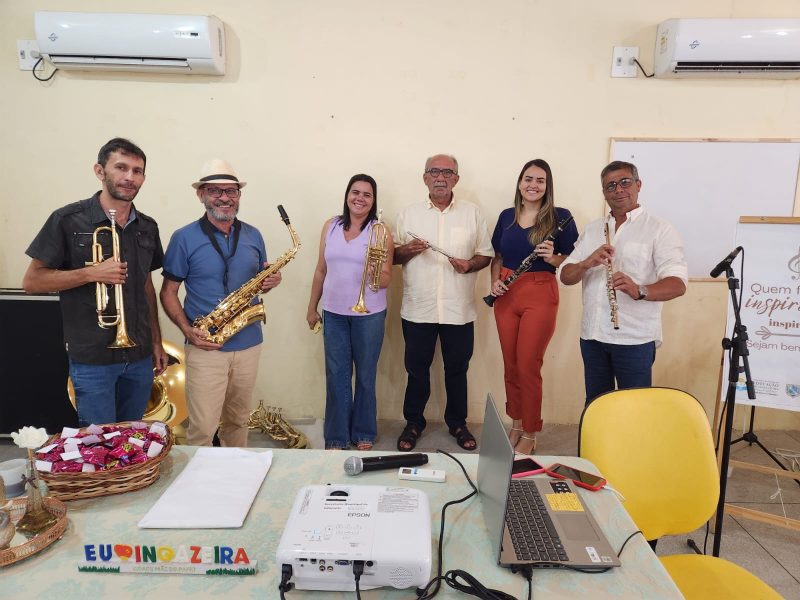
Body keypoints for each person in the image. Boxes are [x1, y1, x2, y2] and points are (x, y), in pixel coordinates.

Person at [23, 137, 168, 426]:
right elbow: (32, 281)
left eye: (137, 171)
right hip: (92, 358)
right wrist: (90, 273)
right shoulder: (67, 220)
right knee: (99, 441)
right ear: (100, 171)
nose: (130, 177)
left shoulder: (148, 227)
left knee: (132, 438)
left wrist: (156, 340)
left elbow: (146, 286)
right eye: (121, 167)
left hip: (139, 355)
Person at [159, 159, 282, 447]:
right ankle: (200, 476)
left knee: (238, 421)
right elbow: (168, 292)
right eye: (215, 190)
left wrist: (271, 280)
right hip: (206, 346)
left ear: (239, 195)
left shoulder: (254, 235)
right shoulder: (183, 237)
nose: (224, 198)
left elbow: (261, 278)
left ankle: (236, 471)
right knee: (203, 428)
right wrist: (188, 331)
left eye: (231, 191)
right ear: (201, 194)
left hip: (249, 343)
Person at [560, 160, 688, 402]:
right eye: (610, 186)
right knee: (596, 404)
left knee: (634, 408)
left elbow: (677, 283)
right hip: (593, 336)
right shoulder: (593, 229)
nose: (618, 189)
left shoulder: (659, 229)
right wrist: (586, 263)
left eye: (625, 182)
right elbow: (566, 276)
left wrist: (640, 290)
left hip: (634, 339)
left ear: (638, 185)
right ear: (604, 193)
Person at [393, 154, 494, 452]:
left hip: (458, 310)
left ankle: (458, 423)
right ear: (424, 177)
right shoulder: (408, 214)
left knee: (457, 370)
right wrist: (408, 250)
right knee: (416, 371)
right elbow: (393, 256)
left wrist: (470, 264)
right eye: (434, 172)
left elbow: (486, 254)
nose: (440, 177)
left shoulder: (472, 213)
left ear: (456, 179)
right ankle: (414, 422)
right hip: (418, 309)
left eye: (447, 172)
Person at [489, 159, 579, 455]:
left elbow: (574, 261)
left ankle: (530, 430)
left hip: (540, 291)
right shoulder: (506, 216)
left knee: (528, 365)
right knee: (511, 365)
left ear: (547, 186)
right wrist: (494, 282)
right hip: (507, 292)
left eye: (540, 180)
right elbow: (498, 257)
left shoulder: (560, 217)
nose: (533, 185)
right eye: (528, 179)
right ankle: (516, 423)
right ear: (519, 183)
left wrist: (553, 257)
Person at [306, 174, 394, 450]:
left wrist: (375, 272)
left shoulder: (381, 231)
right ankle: (337, 435)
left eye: (367, 194)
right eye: (355, 192)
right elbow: (321, 270)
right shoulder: (331, 226)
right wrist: (312, 307)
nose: (360, 198)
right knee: (337, 375)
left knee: (365, 375)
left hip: (369, 314)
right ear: (347, 195)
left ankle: (364, 432)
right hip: (333, 312)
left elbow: (387, 279)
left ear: (373, 200)